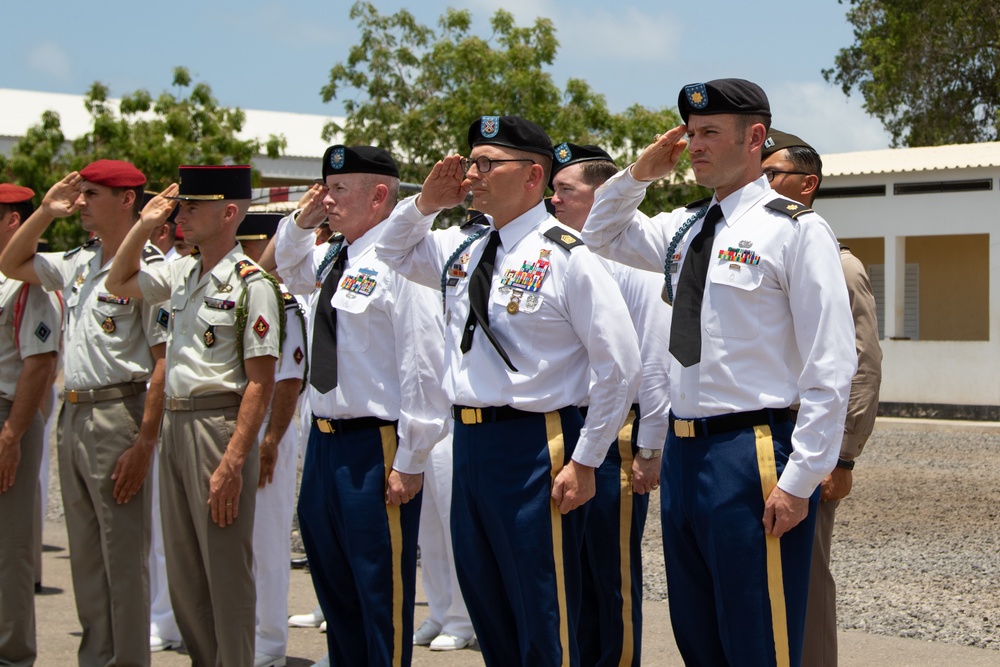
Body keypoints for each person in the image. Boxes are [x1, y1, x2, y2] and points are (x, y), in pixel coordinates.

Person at [582, 79, 857, 667]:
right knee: (698, 633)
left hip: (752, 452)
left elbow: (831, 364)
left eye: (709, 133)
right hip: (685, 457)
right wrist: (638, 172)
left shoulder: (795, 229)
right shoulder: (683, 229)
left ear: (754, 138)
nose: (694, 145)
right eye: (689, 133)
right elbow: (598, 233)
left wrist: (800, 477)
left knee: (760, 635)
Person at [376, 115, 641, 666]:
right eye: (471, 161)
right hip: (470, 446)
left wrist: (587, 459)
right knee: (489, 605)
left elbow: (619, 366)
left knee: (545, 612)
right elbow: (392, 252)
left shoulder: (569, 255)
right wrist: (425, 203)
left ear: (532, 177)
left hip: (535, 446)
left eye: (486, 164)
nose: (471, 174)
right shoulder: (464, 249)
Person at [273, 145, 446, 667]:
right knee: (335, 586)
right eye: (325, 187)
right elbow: (289, 268)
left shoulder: (405, 257)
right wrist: (301, 222)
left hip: (377, 443)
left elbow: (422, 364)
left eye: (338, 188)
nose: (327, 197)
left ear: (378, 196)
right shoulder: (335, 256)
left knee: (380, 594)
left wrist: (411, 459)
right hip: (326, 441)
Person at [105, 165, 282, 666]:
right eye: (181, 205)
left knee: (224, 571)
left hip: (217, 426)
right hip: (175, 426)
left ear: (228, 213)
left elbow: (260, 381)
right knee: (184, 573)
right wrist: (144, 224)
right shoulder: (180, 271)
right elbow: (118, 279)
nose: (180, 215)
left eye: (191, 206)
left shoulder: (253, 283)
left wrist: (233, 460)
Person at [1, 161, 168, 667]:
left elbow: (162, 364)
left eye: (92, 195)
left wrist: (144, 442)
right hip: (74, 414)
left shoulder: (153, 266)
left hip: (120, 409)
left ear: (126, 201)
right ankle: (97, 659)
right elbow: (12, 261)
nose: (81, 203)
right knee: (87, 560)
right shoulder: (78, 261)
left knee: (122, 559)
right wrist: (45, 213)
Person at [761, 128, 883, 667]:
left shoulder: (838, 262)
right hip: (757, 437)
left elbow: (860, 365)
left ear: (806, 185)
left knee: (803, 582)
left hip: (806, 439)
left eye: (771, 175)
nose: (759, 184)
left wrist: (844, 455)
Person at [550, 142, 671, 667]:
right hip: (569, 431)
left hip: (619, 437)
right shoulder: (558, 253)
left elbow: (654, 355)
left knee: (610, 574)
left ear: (601, 194)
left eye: (565, 190)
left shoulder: (637, 259)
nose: (553, 199)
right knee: (569, 575)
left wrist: (649, 447)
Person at [237, 211, 309, 667]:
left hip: (271, 431)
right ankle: (242, 632)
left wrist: (272, 441)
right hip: (239, 429)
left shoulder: (281, 301)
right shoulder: (240, 295)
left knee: (266, 539)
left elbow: (288, 379)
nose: (244, 256)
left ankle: (269, 639)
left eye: (250, 245)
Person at [0, 183, 61, 667]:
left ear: (12, 221)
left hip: (7, 414)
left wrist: (13, 434)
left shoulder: (28, 283)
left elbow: (39, 363)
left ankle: (13, 655)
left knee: (11, 546)